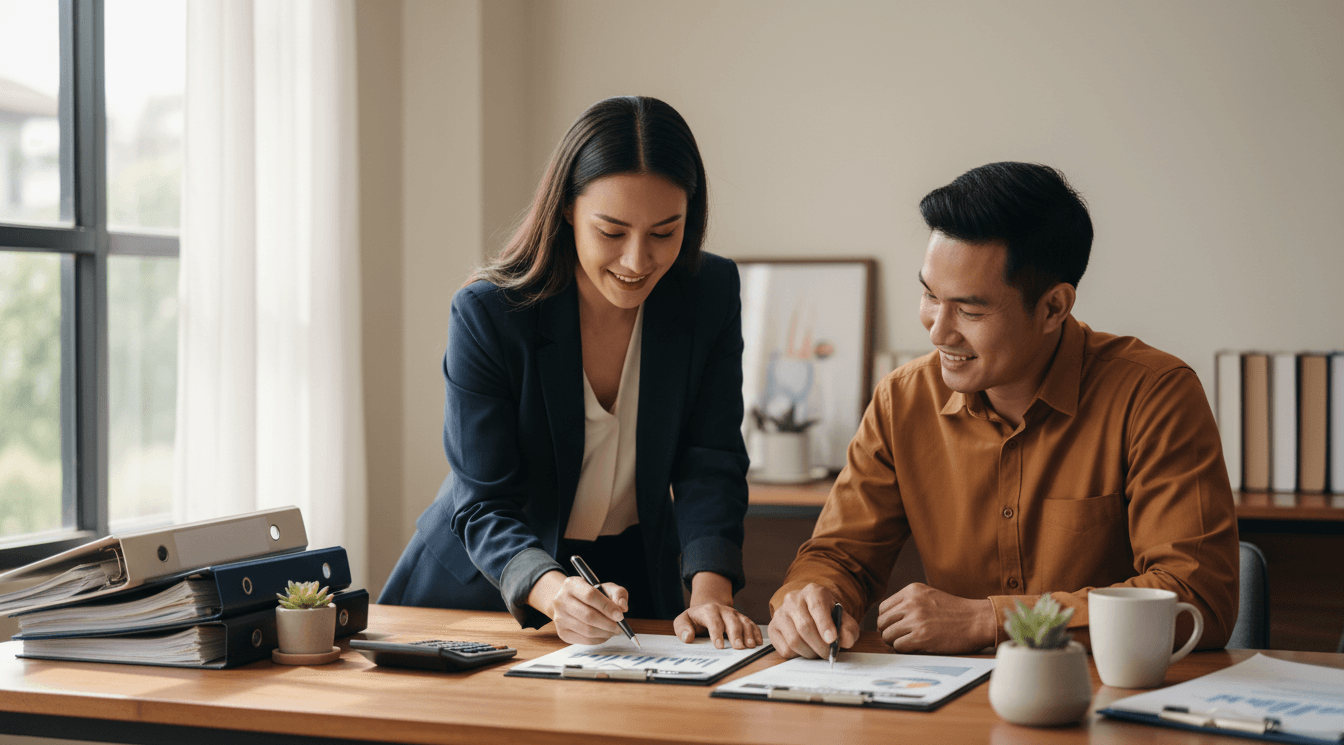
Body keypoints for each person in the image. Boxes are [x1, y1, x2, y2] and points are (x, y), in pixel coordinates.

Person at [768, 161, 1239, 658]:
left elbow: (1196, 597)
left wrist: (990, 619)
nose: (937, 331)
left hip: (1102, 699)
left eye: (970, 311)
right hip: (951, 704)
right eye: (930, 295)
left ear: (1054, 307)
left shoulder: (1153, 395)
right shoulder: (902, 399)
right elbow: (840, 557)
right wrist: (813, 598)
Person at [380, 96, 761, 650]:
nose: (637, 261)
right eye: (611, 231)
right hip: (485, 590)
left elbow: (711, 461)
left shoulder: (709, 294)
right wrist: (552, 590)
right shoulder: (490, 314)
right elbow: (483, 501)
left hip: (630, 588)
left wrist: (710, 595)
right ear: (566, 210)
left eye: (664, 232)